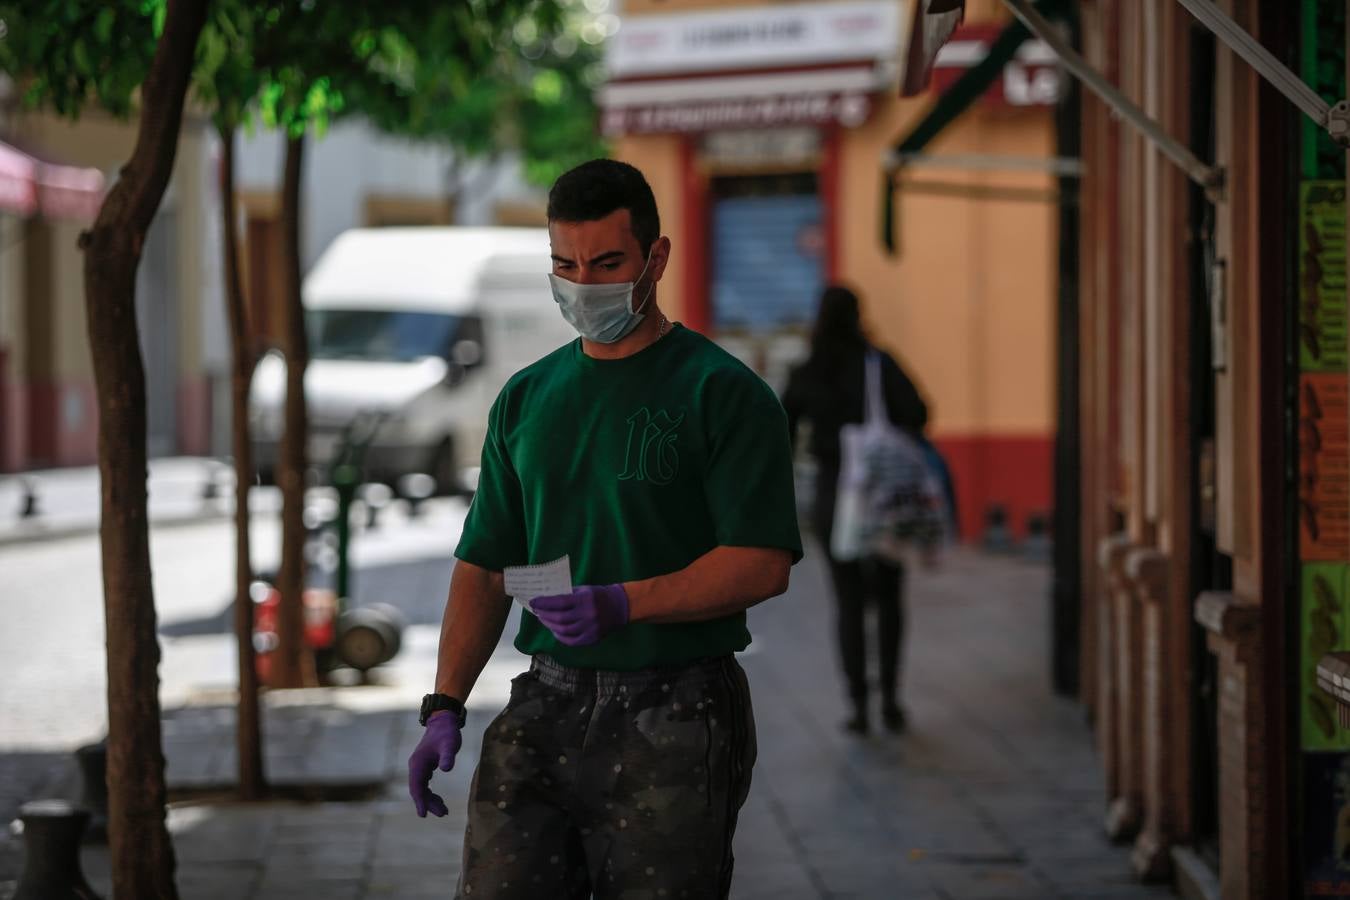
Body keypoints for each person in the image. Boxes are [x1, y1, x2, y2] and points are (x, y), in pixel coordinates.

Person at [407, 158, 802, 899]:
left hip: (679, 708)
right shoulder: (525, 400)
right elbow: (490, 565)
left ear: (656, 258)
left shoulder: (725, 396)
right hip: (544, 701)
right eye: (566, 264)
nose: (584, 283)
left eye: (607, 262)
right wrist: (445, 704)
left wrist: (623, 603)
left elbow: (761, 563)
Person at [781, 285, 928, 735]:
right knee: (889, 593)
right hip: (883, 494)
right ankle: (891, 701)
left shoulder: (810, 368)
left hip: (834, 491)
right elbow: (920, 412)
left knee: (846, 599)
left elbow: (782, 426)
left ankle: (858, 705)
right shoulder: (878, 364)